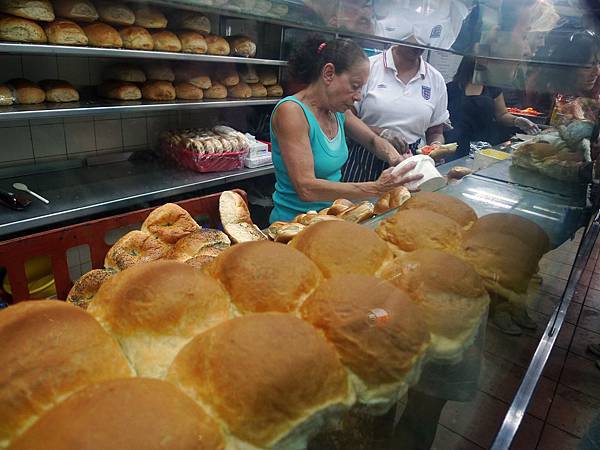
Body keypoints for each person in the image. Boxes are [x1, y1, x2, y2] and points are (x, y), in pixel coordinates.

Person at [269, 36, 421, 223]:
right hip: (294, 223)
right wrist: (375, 188)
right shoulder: (292, 112)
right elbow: (306, 188)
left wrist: (397, 160)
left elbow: (373, 140)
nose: (358, 97)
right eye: (355, 86)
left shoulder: (338, 112)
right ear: (329, 73)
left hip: (330, 217)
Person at [342, 42, 449, 183]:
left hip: (412, 162)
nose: (419, 45)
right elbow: (344, 118)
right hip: (364, 157)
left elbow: (435, 130)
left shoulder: (435, 79)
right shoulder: (370, 67)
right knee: (358, 204)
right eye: (415, 39)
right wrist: (381, 133)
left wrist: (436, 146)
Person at [445, 56, 540, 159]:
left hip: (482, 146)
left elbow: (502, 115)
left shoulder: (492, 88)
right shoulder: (450, 88)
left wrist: (516, 120)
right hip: (455, 145)